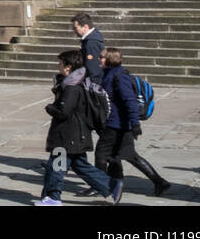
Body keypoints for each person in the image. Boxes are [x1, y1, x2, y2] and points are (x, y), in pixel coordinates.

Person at [36, 49, 121, 205]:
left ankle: (53, 198)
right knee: (80, 166)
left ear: (69, 67)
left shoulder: (72, 88)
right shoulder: (74, 84)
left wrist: (50, 108)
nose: (59, 67)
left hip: (66, 137)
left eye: (60, 64)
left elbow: (63, 112)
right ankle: (112, 185)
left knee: (56, 167)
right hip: (76, 136)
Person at [95, 48, 170, 196]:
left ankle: (103, 186)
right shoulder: (108, 73)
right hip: (116, 123)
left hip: (117, 124)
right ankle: (159, 182)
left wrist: (135, 124)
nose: (99, 59)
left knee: (101, 155)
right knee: (127, 156)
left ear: (110, 58)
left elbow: (130, 100)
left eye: (102, 57)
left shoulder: (119, 76)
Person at [71, 13, 105, 81]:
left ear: (85, 27)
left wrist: (93, 85)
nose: (74, 30)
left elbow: (93, 67)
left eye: (75, 28)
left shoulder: (91, 43)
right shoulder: (92, 38)